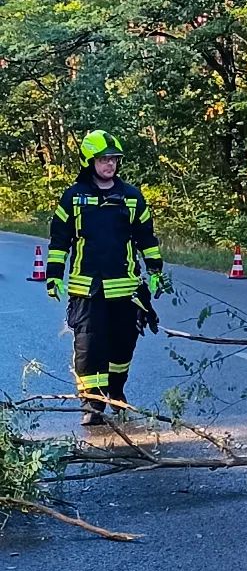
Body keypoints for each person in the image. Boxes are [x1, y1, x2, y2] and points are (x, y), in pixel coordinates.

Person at [45, 130, 166, 426]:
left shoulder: (132, 197)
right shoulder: (74, 198)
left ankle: (116, 392)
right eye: (104, 159)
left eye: (114, 159)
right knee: (88, 348)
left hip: (125, 289)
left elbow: (146, 238)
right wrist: (53, 276)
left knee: (122, 347)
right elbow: (59, 240)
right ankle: (93, 404)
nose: (110, 164)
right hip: (86, 289)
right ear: (90, 161)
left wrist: (155, 271)